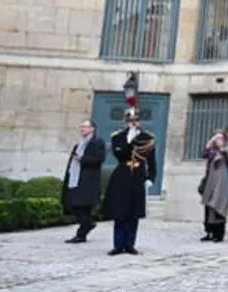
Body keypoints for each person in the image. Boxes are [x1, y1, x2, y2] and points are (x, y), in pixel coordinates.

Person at [101, 106, 157, 256]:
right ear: (126, 121)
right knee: (120, 212)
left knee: (134, 213)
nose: (133, 123)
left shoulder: (147, 138)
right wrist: (130, 138)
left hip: (138, 176)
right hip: (122, 175)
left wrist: (151, 178)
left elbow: (152, 161)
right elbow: (121, 155)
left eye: (136, 120)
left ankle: (130, 244)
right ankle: (118, 244)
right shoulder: (118, 137)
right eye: (130, 120)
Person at [61, 119, 106, 244]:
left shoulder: (97, 142)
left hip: (87, 180)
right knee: (71, 205)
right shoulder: (79, 144)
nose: (82, 129)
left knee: (82, 207)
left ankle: (82, 233)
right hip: (75, 179)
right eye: (81, 127)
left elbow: (99, 159)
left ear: (92, 129)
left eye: (85, 127)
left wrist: (83, 159)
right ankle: (87, 226)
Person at [199, 133, 228, 242]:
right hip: (210, 181)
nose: (218, 141)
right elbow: (204, 154)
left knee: (218, 206)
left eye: (220, 139)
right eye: (216, 139)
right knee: (208, 208)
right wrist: (209, 144)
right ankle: (209, 232)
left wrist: (222, 150)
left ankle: (219, 234)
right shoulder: (212, 152)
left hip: (221, 183)